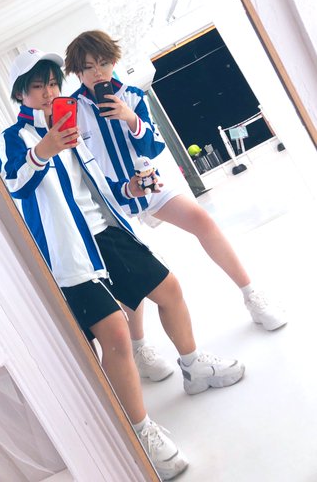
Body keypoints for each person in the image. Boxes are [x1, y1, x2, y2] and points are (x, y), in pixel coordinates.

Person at [0, 48, 246, 481]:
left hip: (106, 231)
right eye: (38, 86)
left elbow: (96, 181)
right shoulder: (12, 138)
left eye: (53, 83)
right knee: (114, 332)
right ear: (21, 93)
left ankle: (194, 367)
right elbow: (14, 185)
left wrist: (129, 188)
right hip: (67, 250)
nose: (49, 92)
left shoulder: (71, 123)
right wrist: (43, 150)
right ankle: (140, 432)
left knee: (170, 290)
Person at [65, 30, 287, 380]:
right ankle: (140, 348)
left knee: (202, 220)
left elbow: (154, 147)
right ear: (77, 71)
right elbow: (79, 167)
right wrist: (122, 190)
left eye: (103, 63)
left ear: (114, 61)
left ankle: (252, 296)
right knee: (135, 272)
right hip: (111, 204)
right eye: (88, 67)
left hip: (149, 186)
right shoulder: (72, 111)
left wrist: (129, 118)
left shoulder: (132, 96)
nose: (97, 72)